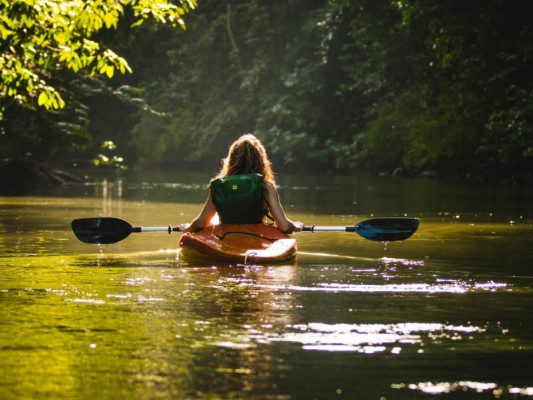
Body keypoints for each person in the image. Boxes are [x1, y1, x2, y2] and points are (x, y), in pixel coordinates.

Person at [178, 134, 303, 234]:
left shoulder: (219, 186)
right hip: (257, 237)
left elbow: (201, 223)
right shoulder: (266, 187)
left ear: (231, 159)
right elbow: (285, 227)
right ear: (261, 160)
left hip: (225, 237)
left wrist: (188, 228)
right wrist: (297, 226)